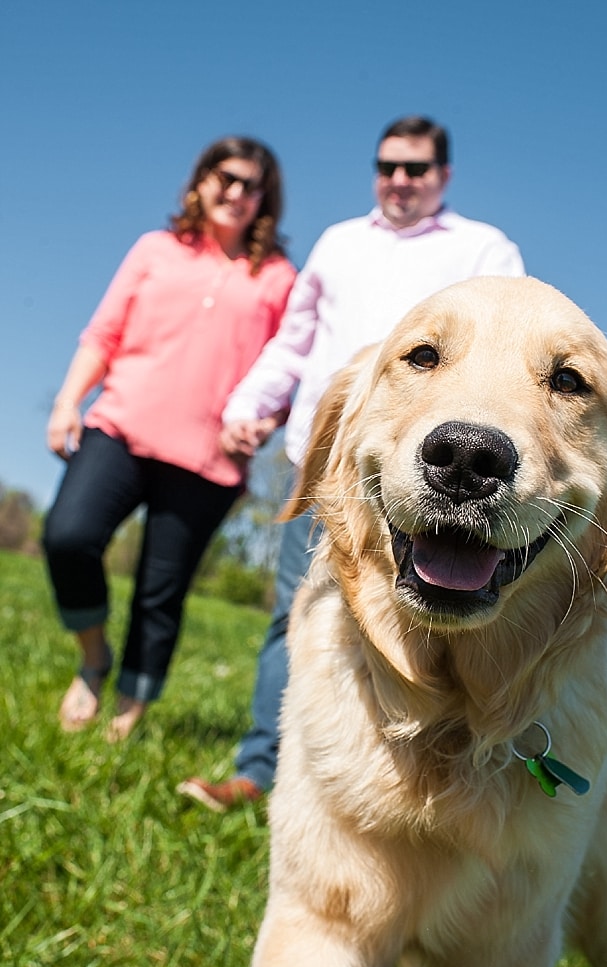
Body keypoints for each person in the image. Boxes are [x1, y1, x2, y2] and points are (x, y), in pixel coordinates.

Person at [178, 115, 524, 812]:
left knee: (424, 616)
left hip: (424, 474)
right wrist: (250, 403)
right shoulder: (338, 244)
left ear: (443, 177)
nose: (400, 181)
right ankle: (265, 771)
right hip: (325, 460)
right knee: (295, 612)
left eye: (417, 169)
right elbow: (293, 342)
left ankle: (422, 789)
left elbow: (507, 351)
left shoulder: (483, 249)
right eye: (388, 166)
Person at [42, 137, 296, 743]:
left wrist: (267, 421)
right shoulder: (156, 250)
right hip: (121, 426)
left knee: (161, 590)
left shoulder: (278, 278)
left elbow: (286, 369)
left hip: (209, 459)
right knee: (68, 536)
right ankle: (93, 655)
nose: (235, 194)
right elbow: (103, 333)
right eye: (225, 178)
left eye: (250, 185)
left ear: (266, 199)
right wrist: (66, 402)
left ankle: (129, 712)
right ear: (201, 181)